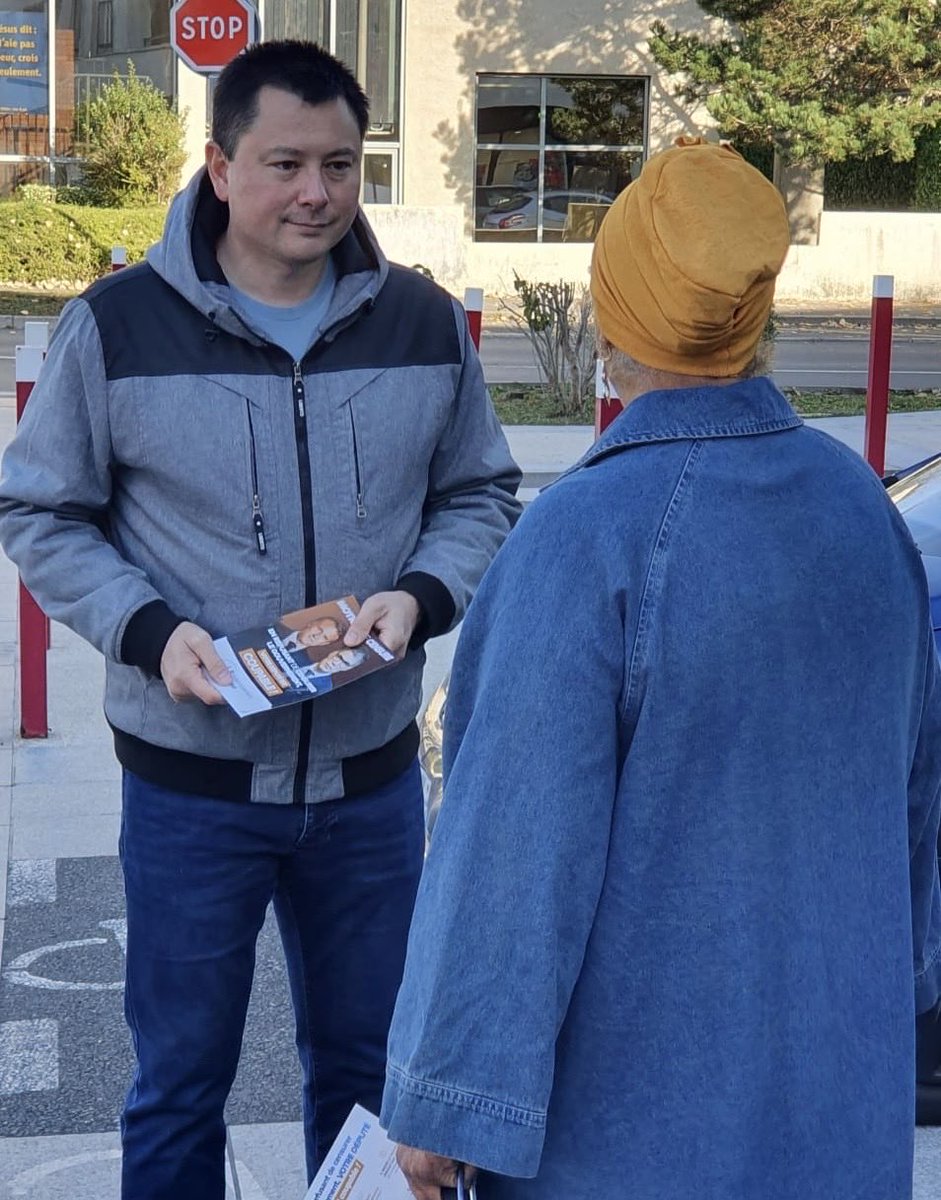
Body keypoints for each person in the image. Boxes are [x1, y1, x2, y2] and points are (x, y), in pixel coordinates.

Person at [0, 39, 520, 1200]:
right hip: (191, 790)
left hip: (371, 786)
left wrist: (421, 594)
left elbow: (479, 490)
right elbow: (40, 509)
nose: (315, 193)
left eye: (339, 163)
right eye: (284, 162)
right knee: (181, 1080)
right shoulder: (119, 326)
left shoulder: (422, 323)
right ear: (219, 166)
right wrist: (146, 632)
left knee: (376, 1078)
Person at [380, 140, 941, 1200]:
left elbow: (510, 855)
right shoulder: (858, 508)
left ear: (610, 314)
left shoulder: (584, 538)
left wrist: (445, 1098)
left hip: (628, 1127)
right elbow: (914, 795)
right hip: (838, 1098)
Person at [280, 614, 347, 652]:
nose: (317, 636)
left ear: (323, 644)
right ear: (311, 623)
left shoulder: (303, 663)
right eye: (319, 629)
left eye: (325, 637)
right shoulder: (275, 626)